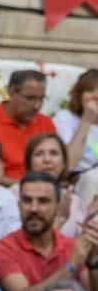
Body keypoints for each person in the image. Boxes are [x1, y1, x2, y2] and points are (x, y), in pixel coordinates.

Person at [0, 172, 97, 291]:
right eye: (27, 200)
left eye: (43, 201)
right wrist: (71, 265)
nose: (33, 208)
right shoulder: (4, 249)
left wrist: (94, 262)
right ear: (18, 205)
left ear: (57, 207)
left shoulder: (70, 246)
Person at [0, 70, 56, 185]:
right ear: (12, 92)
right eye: (30, 98)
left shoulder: (45, 123)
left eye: (41, 99)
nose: (37, 106)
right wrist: (26, 186)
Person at [26, 131, 93, 238]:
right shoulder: (15, 195)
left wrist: (89, 217)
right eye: (39, 154)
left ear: (63, 163)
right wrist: (60, 220)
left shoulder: (75, 201)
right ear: (29, 163)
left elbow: (78, 247)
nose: (47, 160)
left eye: (54, 153)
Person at [55, 69, 98, 210]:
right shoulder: (66, 119)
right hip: (81, 183)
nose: (96, 96)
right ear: (79, 95)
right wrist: (87, 120)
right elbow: (68, 164)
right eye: (90, 90)